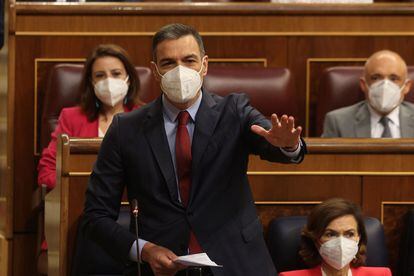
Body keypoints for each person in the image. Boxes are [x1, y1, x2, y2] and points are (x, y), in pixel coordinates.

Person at [82, 23, 306, 276]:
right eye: (168, 63)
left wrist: (288, 145)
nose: (180, 71)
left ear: (205, 65)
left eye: (189, 60)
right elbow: (96, 216)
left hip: (236, 262)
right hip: (162, 266)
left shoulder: (234, 111)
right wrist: (144, 250)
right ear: (155, 71)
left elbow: (272, 142)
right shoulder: (126, 129)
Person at [37, 44, 142, 191]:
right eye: (100, 75)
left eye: (116, 73)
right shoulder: (71, 117)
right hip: (83, 203)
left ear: (129, 79)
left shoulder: (146, 117)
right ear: (92, 83)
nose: (108, 81)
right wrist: (80, 187)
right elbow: (48, 170)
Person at [279, 198, 392, 276]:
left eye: (349, 234)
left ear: (358, 238)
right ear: (315, 239)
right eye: (330, 234)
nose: (341, 243)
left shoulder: (382, 274)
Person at [322, 50, 414, 138]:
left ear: (406, 86)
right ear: (363, 84)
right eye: (376, 78)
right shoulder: (337, 122)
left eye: (393, 79)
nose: (385, 86)